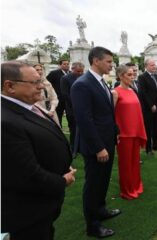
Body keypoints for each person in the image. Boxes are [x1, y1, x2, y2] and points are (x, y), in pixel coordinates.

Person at [1, 61, 76, 240]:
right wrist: (61, 180)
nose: (41, 86)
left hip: (42, 205)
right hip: (28, 211)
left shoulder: (27, 106)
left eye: (40, 80)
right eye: (34, 82)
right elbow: (26, 174)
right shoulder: (5, 121)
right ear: (9, 86)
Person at [70, 47, 120, 238]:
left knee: (103, 180)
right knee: (93, 184)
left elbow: (106, 112)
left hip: (107, 140)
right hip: (95, 145)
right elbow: (84, 120)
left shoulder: (101, 82)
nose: (111, 65)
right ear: (96, 61)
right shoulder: (82, 84)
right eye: (108, 61)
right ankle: (93, 225)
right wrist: (99, 147)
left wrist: (114, 133)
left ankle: (101, 210)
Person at [111, 65, 147, 199]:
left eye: (133, 75)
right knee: (125, 164)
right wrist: (115, 133)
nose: (133, 77)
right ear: (120, 76)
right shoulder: (115, 92)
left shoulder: (132, 91)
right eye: (129, 75)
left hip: (135, 132)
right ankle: (127, 190)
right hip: (123, 134)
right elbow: (111, 114)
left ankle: (136, 185)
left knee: (135, 161)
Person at [138, 58, 157, 154]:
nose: (154, 66)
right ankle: (148, 148)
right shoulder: (142, 77)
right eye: (152, 65)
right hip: (148, 108)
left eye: (155, 65)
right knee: (148, 128)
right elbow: (143, 93)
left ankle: (156, 145)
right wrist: (151, 105)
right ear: (146, 66)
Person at [60, 62, 85, 150]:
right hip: (72, 108)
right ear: (72, 69)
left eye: (82, 71)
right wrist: (77, 103)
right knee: (73, 128)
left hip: (84, 108)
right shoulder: (65, 78)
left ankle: (82, 146)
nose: (81, 73)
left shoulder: (84, 77)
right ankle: (74, 146)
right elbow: (65, 94)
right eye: (78, 71)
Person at [46, 59, 70, 124]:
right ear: (60, 65)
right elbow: (47, 83)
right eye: (64, 64)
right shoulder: (54, 73)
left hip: (68, 100)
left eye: (68, 64)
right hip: (58, 99)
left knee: (70, 117)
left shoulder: (71, 73)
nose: (66, 65)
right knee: (58, 117)